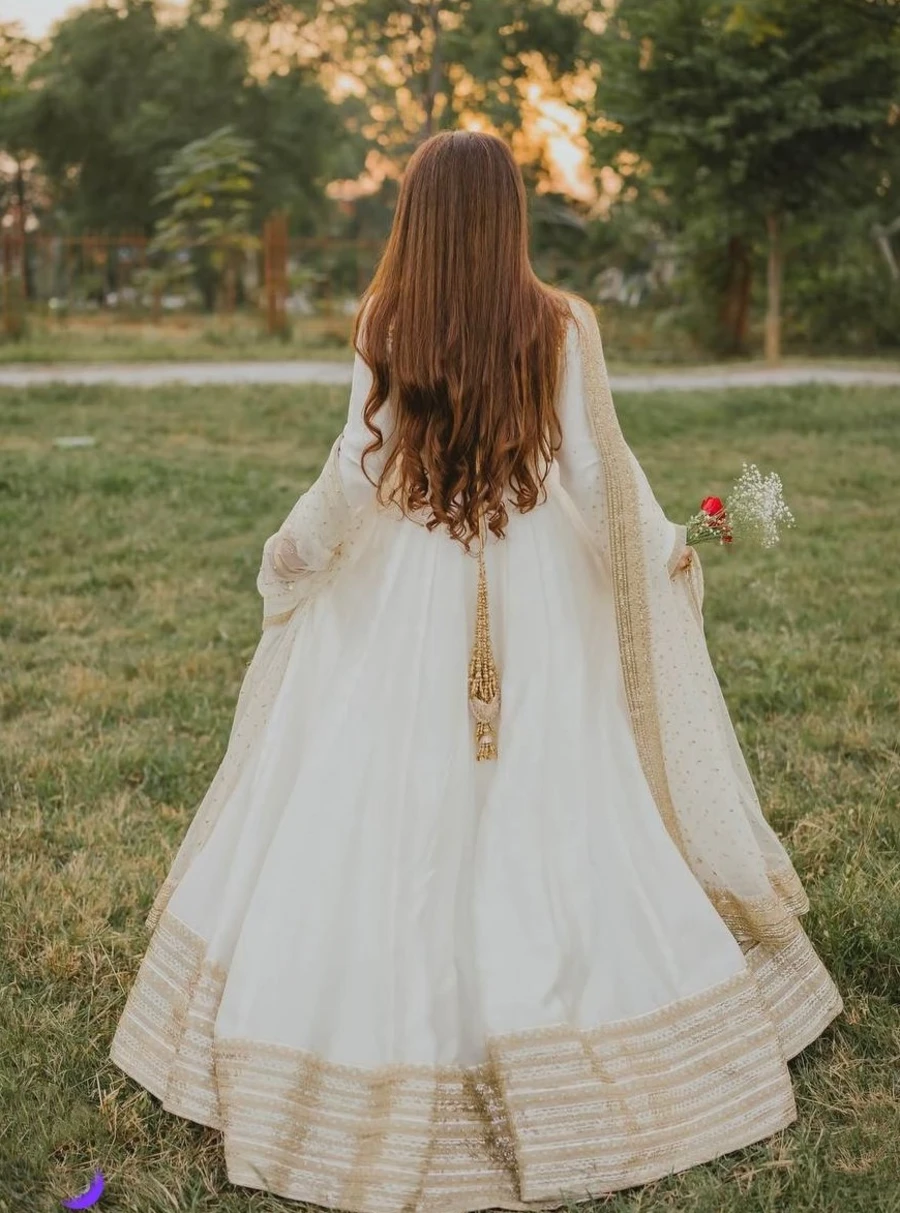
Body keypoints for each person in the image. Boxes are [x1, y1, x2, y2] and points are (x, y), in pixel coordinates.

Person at [111, 130, 841, 1212]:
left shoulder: (387, 320)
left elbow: (358, 466)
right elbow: (592, 472)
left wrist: (298, 550)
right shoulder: (560, 323)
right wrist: (657, 551)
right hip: (536, 575)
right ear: (509, 217)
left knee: (386, 782)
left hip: (409, 577)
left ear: (416, 215)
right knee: (558, 781)